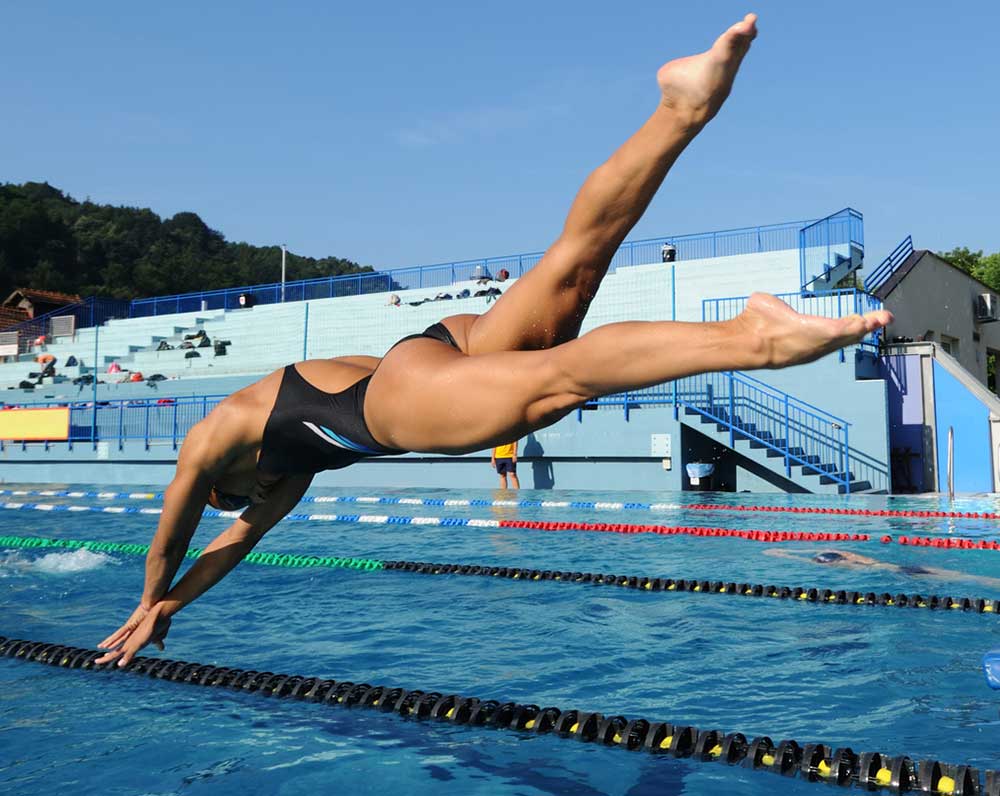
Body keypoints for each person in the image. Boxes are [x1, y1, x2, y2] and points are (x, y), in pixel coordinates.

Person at [96, 14, 892, 667]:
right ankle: (681, 106)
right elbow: (231, 548)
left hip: (398, 400)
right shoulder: (280, 480)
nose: (244, 506)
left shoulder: (213, 440)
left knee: (556, 385)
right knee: (575, 265)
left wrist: (145, 601)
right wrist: (172, 608)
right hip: (435, 353)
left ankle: (749, 336)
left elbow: (172, 535)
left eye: (233, 499)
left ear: (219, 486)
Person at [763, 548, 1000, 590]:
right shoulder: (859, 559)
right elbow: (836, 549)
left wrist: (785, 555)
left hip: (897, 574)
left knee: (957, 580)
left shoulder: (846, 567)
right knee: (961, 577)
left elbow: (807, 561)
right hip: (902, 567)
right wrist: (791, 551)